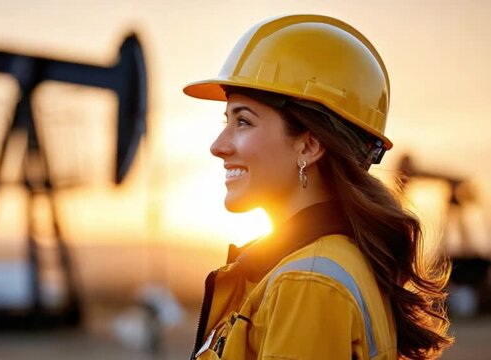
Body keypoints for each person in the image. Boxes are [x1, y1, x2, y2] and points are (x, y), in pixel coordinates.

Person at [183, 15, 452, 359]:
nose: (218, 146)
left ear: (309, 146)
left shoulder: (307, 282)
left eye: (243, 121)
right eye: (227, 121)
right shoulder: (323, 265)